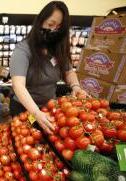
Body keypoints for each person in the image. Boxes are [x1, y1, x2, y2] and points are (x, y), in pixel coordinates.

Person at [10, 1, 89, 134]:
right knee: (28, 141)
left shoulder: (57, 48)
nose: (53, 30)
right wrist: (36, 113)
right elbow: (18, 85)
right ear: (40, 21)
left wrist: (76, 86)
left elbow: (68, 71)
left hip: (50, 107)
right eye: (50, 24)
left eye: (58, 27)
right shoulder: (23, 50)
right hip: (25, 108)